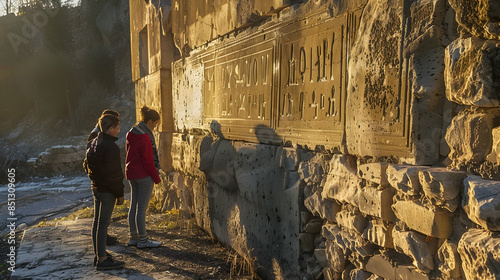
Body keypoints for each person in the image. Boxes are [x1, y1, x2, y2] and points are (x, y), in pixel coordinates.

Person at [85, 114, 126, 270]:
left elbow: (89, 167)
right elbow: (114, 174)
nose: (118, 130)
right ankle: (102, 259)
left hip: (96, 188)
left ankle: (99, 255)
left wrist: (96, 182)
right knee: (103, 224)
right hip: (107, 191)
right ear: (110, 129)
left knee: (97, 223)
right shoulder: (111, 147)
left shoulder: (94, 142)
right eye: (116, 127)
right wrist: (120, 193)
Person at [125, 106, 162, 248]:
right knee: (141, 209)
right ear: (150, 121)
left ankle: (134, 237)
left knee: (133, 206)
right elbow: (148, 161)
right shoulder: (145, 137)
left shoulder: (131, 133)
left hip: (132, 174)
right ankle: (143, 240)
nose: (155, 127)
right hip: (144, 175)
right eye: (155, 124)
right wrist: (156, 178)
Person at [87, 109, 120, 246]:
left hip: (98, 182)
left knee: (99, 221)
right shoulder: (98, 137)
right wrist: (118, 191)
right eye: (116, 127)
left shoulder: (97, 135)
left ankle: (101, 249)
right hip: (103, 185)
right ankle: (101, 250)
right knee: (101, 221)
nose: (118, 130)